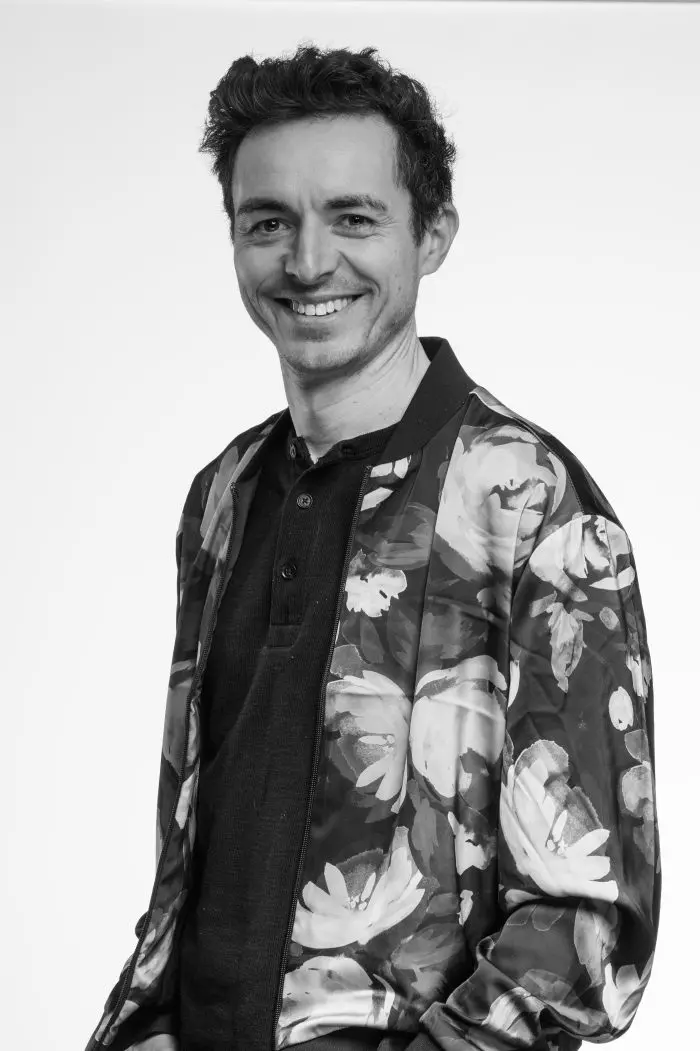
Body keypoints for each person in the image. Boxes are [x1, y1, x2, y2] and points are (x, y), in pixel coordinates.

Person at [84, 43, 660, 1051]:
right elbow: (190, 860)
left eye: (354, 218)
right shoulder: (221, 494)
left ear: (431, 234)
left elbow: (587, 929)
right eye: (269, 223)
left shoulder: (527, 499)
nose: (307, 263)